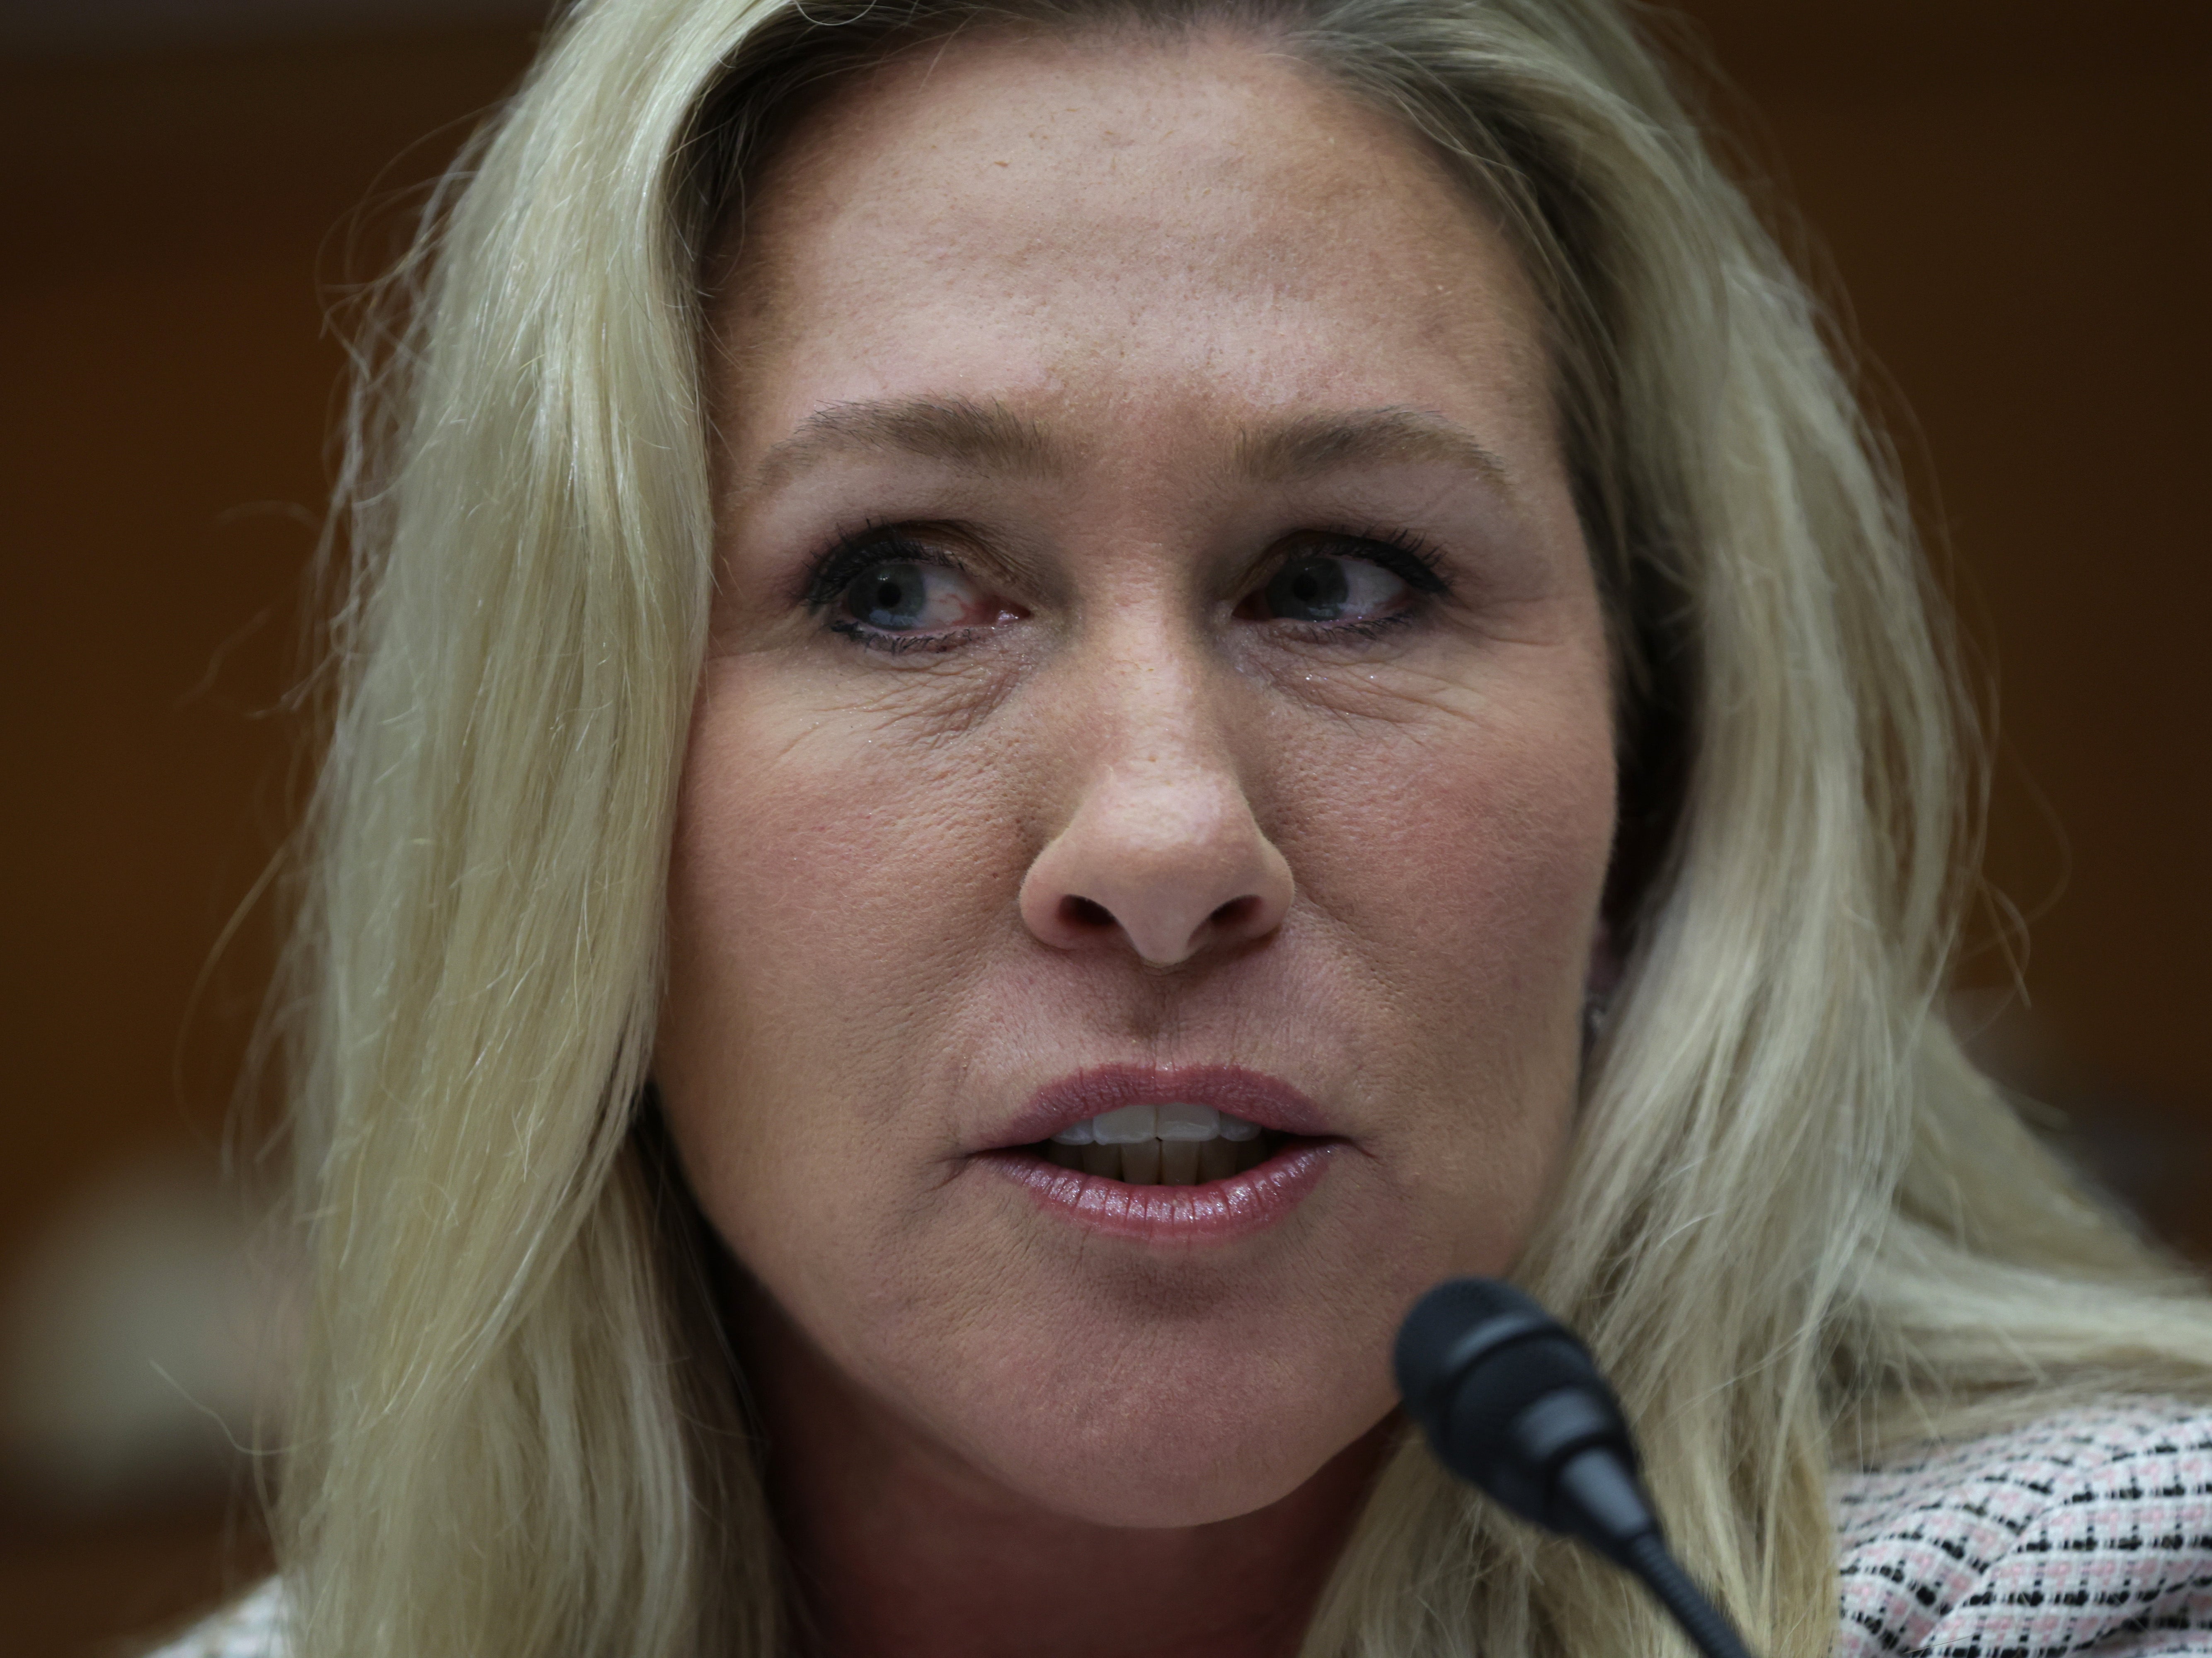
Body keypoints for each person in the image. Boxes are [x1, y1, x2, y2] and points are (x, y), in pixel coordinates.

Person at [160, 0, 2212, 1654]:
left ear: (1656, 777)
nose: (1163, 838)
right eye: (893, 586)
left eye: (1338, 580)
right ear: (576, 799)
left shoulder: (2105, 1592)